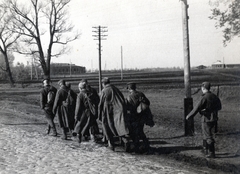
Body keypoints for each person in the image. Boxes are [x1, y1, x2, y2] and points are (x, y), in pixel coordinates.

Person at [186, 82, 222, 158]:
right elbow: (219, 107)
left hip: (206, 118)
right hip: (214, 118)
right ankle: (206, 150)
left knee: (207, 135)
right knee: (207, 134)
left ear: (203, 88)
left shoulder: (204, 97)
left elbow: (197, 107)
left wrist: (189, 116)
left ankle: (211, 153)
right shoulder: (214, 96)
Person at [98, 77, 130, 150]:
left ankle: (111, 144)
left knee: (107, 126)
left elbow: (101, 103)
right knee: (119, 126)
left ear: (103, 84)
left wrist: (99, 114)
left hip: (108, 111)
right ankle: (125, 141)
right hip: (119, 110)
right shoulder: (116, 89)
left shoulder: (104, 91)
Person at [126, 82, 154, 153]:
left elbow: (130, 108)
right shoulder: (141, 94)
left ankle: (138, 147)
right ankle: (146, 145)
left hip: (134, 117)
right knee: (140, 131)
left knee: (134, 133)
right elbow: (148, 102)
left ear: (129, 88)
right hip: (142, 117)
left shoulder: (129, 97)